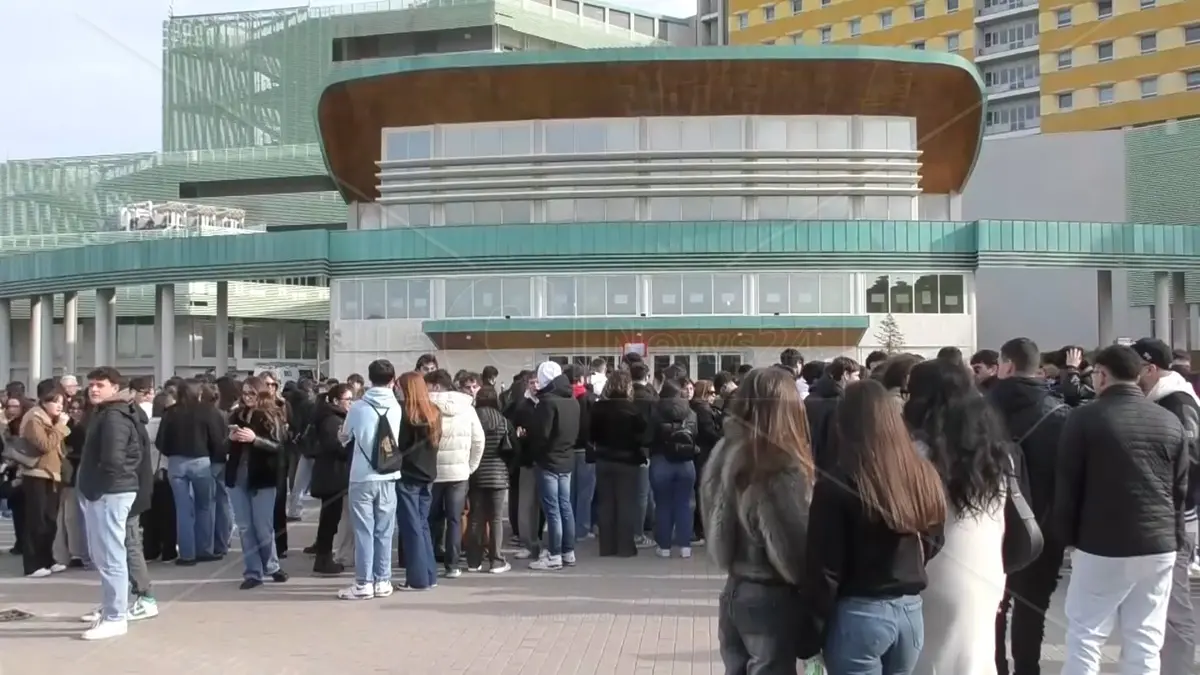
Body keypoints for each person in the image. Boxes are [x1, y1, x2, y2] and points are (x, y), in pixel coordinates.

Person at [1054, 345, 1187, 675]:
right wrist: (1176, 537)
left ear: (1101, 374)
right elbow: (1179, 488)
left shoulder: (1083, 418)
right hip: (1160, 543)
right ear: (1140, 374)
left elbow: (1068, 484)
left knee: (1086, 632)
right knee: (1145, 636)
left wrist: (1065, 537)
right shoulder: (1169, 420)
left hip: (1102, 542)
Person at [806, 379, 947, 673]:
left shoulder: (838, 481)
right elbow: (935, 537)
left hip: (860, 611)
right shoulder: (923, 473)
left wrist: (808, 635)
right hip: (910, 610)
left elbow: (825, 569)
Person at [701, 367, 818, 672]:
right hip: (770, 595)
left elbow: (713, 515)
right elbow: (793, 547)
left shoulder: (723, 450)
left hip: (733, 589)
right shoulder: (778, 464)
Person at [904, 359, 1010, 675]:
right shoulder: (994, 451)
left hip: (933, 569)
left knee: (931, 659)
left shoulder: (917, 453)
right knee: (975, 657)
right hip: (987, 568)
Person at [989, 337, 1070, 675]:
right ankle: (1028, 669)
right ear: (1036, 368)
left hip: (988, 525)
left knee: (991, 605)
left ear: (1006, 365)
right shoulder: (1060, 412)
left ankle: (994, 666)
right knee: (1032, 606)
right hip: (1043, 526)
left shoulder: (979, 408)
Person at [1131, 337, 1199, 675]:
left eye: (1134, 368)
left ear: (1150, 367)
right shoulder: (1159, 401)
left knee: (1175, 609)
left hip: (1175, 520)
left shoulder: (1177, 403)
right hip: (1161, 517)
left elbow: (1192, 462)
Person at [75, 367, 151, 641]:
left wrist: (94, 489)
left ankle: (116, 615)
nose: (93, 389)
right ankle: (111, 610)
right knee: (106, 555)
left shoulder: (114, 418)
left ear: (114, 387)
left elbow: (114, 461)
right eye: (91, 384)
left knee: (111, 556)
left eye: (100, 385)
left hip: (111, 492)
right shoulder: (109, 414)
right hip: (109, 491)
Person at [336, 360, 405, 600]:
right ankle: (383, 580)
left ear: (369, 379)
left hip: (362, 476)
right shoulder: (397, 407)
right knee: (384, 530)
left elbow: (345, 437)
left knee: (363, 530)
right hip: (389, 475)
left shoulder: (357, 407)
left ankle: (364, 582)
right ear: (392, 380)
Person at [226, 376, 290, 590]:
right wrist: (231, 439)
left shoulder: (272, 414)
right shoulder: (236, 413)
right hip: (238, 475)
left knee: (263, 527)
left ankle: (272, 566)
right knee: (245, 527)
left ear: (261, 394)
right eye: (244, 393)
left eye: (251, 393)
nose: (247, 398)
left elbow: (279, 445)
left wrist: (255, 439)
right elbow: (224, 446)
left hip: (263, 476)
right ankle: (253, 572)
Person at [156, 379, 226, 566]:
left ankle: (187, 554)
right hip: (201, 461)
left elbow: (160, 441)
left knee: (183, 509)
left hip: (176, 463)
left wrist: (171, 453)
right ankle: (204, 549)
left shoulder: (171, 413)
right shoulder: (207, 411)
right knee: (205, 506)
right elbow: (217, 439)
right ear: (199, 393)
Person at [425, 368, 484, 579]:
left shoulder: (427, 406)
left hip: (432, 472)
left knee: (431, 519)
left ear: (436, 386)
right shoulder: (467, 407)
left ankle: (428, 562)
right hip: (459, 473)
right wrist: (470, 467)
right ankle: (452, 565)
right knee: (455, 519)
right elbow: (479, 440)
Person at [527, 361, 580, 571]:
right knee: (565, 507)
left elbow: (541, 436)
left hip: (548, 461)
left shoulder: (547, 403)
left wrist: (533, 451)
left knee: (553, 510)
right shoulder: (572, 401)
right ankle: (568, 551)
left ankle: (554, 554)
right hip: (567, 459)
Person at [590, 371, 648, 557]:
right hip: (627, 461)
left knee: (605, 504)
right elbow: (642, 437)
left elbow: (591, 435)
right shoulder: (633, 410)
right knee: (625, 504)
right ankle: (625, 547)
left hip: (604, 459)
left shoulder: (598, 408)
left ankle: (606, 547)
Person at [393, 372, 442, 591]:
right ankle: (428, 575)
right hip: (428, 474)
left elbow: (397, 446)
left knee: (411, 527)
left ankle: (418, 578)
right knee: (422, 526)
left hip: (408, 475)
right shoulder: (434, 412)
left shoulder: (405, 414)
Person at [18, 379, 70, 578]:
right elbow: (45, 445)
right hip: (36, 473)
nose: (59, 405)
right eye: (55, 401)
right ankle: (32, 564)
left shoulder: (50, 418)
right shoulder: (34, 418)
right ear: (44, 400)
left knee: (49, 520)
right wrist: (60, 427)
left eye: (61, 401)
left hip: (52, 474)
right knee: (36, 520)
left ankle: (47, 559)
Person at [646, 376, 699, 558]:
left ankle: (664, 547)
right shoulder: (690, 412)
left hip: (661, 461)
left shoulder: (655, 411)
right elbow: (695, 435)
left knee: (662, 505)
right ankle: (685, 546)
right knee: (684, 504)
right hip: (686, 463)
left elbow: (648, 437)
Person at [466, 386, 514, 574]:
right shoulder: (503, 420)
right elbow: (512, 449)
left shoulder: (472, 417)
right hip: (498, 475)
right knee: (495, 519)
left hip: (476, 473)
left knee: (476, 518)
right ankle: (496, 561)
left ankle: (473, 561)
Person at [308, 384, 352, 577]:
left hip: (330, 474)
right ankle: (323, 559)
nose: (351, 403)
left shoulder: (331, 417)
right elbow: (334, 446)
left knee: (330, 518)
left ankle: (324, 557)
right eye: (347, 399)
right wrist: (349, 447)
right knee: (329, 519)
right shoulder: (332, 420)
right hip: (331, 475)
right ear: (336, 401)